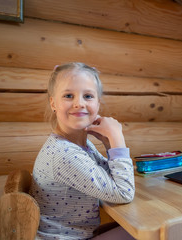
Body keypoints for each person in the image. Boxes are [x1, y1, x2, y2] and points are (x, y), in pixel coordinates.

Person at [30, 62, 135, 239]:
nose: (79, 103)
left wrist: (109, 144)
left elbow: (110, 181)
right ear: (53, 103)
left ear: (98, 103)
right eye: (69, 95)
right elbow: (123, 192)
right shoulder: (65, 154)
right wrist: (117, 138)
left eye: (87, 96)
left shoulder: (78, 144)